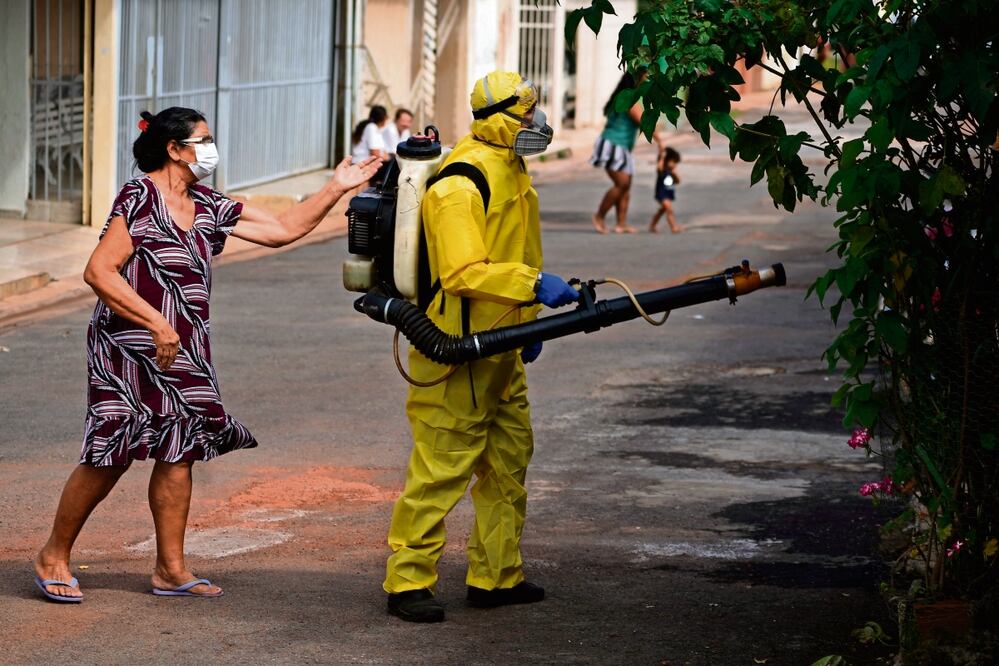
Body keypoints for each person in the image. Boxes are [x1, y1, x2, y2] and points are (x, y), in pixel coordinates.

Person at [32, 107, 380, 603]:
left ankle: (170, 569)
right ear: (175, 149)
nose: (211, 150)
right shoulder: (139, 198)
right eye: (204, 140)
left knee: (180, 451)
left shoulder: (206, 203)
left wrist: (337, 186)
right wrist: (156, 322)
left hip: (185, 347)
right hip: (128, 346)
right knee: (112, 452)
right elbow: (100, 271)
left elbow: (281, 229)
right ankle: (53, 555)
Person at [383, 71, 578, 623]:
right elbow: (466, 270)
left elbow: (521, 247)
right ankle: (407, 582)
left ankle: (495, 576)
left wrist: (531, 321)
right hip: (459, 350)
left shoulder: (512, 167)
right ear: (496, 119)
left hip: (506, 345)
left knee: (509, 463)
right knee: (441, 468)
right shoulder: (459, 185)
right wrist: (533, 287)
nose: (535, 125)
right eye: (524, 116)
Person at [589, 69, 662, 234]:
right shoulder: (629, 98)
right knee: (621, 184)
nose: (646, 80)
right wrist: (660, 142)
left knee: (626, 186)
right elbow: (642, 120)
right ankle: (599, 216)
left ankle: (621, 224)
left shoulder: (629, 97)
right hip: (613, 145)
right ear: (636, 79)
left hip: (622, 147)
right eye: (644, 77)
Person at [649, 146, 683, 233]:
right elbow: (659, 167)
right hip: (662, 194)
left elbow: (678, 181)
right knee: (669, 210)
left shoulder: (671, 172)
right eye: (673, 162)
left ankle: (652, 225)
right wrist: (663, 157)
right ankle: (673, 227)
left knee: (662, 210)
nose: (675, 165)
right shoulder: (662, 170)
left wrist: (675, 174)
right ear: (666, 161)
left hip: (668, 194)